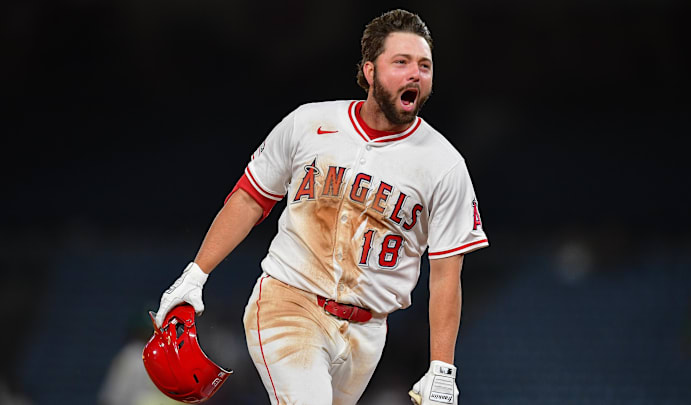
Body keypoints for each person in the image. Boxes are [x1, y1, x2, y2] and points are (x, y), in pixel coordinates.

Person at [153, 9, 489, 405]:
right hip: (289, 303)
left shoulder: (444, 165)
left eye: (424, 65)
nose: (415, 74)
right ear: (369, 71)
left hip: (367, 333)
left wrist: (441, 367)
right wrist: (195, 274)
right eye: (401, 62)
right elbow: (250, 198)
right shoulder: (309, 123)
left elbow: (447, 274)